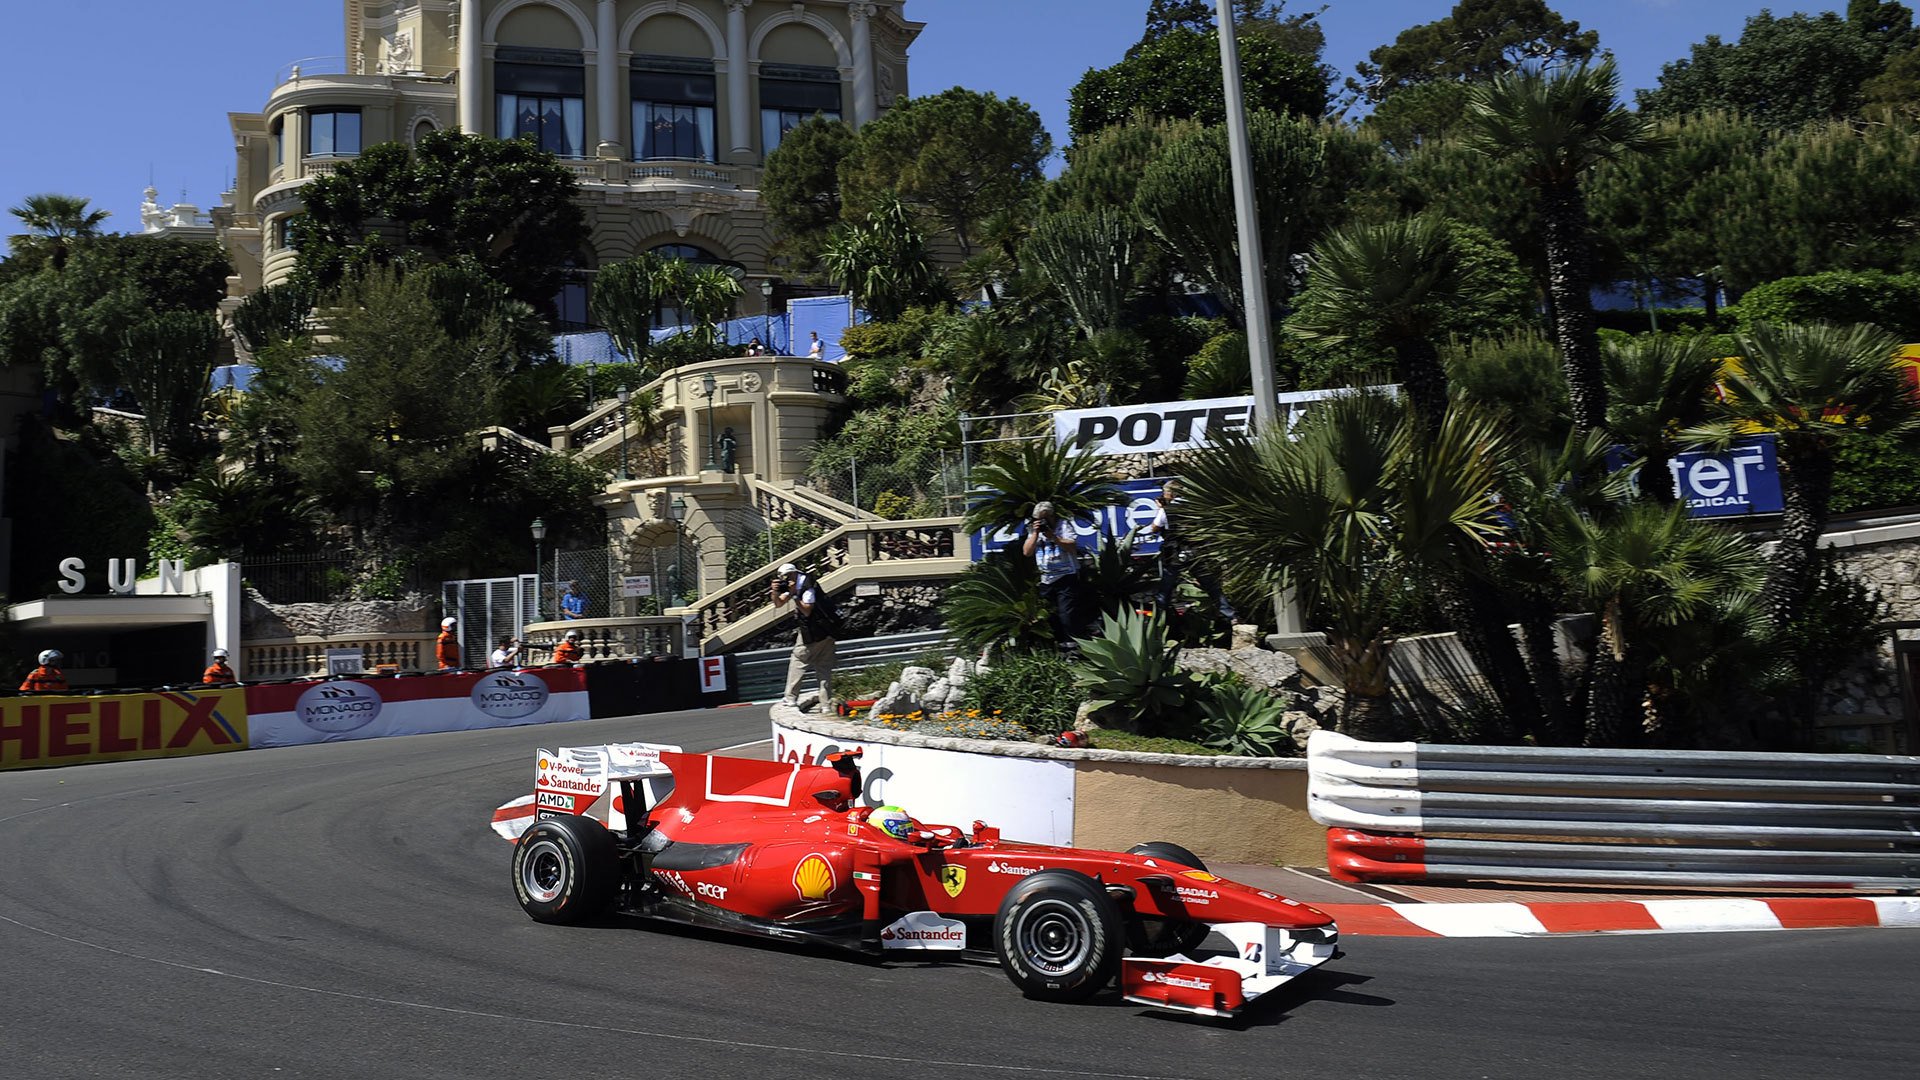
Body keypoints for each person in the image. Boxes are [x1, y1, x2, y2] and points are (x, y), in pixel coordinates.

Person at [772, 561, 839, 710]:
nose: (785, 581)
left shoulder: (807, 587)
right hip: (828, 630)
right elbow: (778, 604)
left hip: (814, 631)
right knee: (823, 667)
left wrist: (794, 595)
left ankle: (790, 697)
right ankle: (826, 705)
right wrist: (775, 592)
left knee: (798, 659)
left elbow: (807, 610)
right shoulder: (800, 582)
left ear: (793, 574)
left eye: (787, 577)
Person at [1021, 501, 1087, 649]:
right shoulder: (1033, 530)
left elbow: (1072, 546)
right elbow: (1027, 552)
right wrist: (1036, 533)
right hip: (1047, 578)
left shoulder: (1064, 526)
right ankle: (1057, 644)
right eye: (1039, 519)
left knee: (1067, 614)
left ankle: (1072, 646)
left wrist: (1054, 537)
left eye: (1045, 518)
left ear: (1052, 516)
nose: (1042, 521)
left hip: (1066, 575)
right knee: (1050, 614)